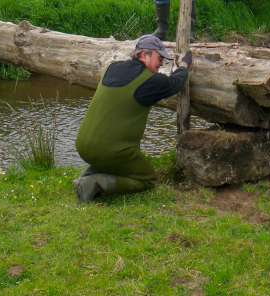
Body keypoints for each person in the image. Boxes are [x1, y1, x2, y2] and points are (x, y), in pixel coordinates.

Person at [73, 34, 192, 202]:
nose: (160, 64)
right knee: (148, 179)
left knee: (112, 158)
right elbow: (175, 82)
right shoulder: (151, 81)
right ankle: (95, 182)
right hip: (111, 152)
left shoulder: (112, 68)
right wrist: (185, 65)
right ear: (145, 55)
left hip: (83, 146)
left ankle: (86, 176)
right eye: (159, 58)